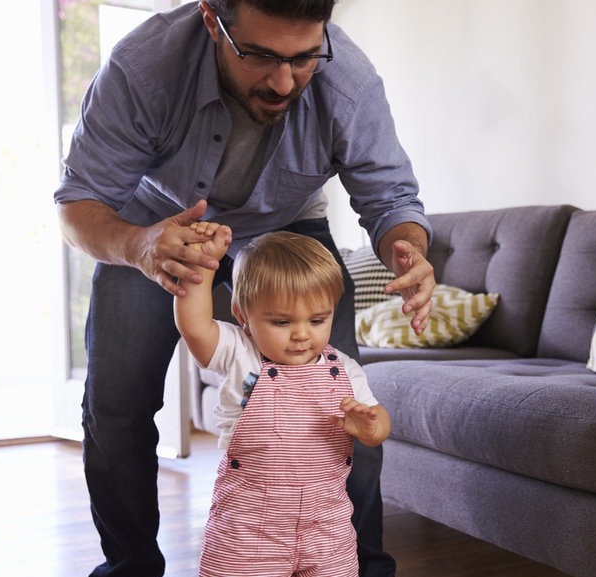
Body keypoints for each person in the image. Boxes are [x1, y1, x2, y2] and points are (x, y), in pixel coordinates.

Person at [53, 1, 434, 575]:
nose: (284, 82)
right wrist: (139, 246)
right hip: (156, 223)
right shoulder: (142, 68)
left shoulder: (349, 82)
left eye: (304, 58)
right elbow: (78, 202)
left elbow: (392, 202)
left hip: (289, 224)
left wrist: (407, 250)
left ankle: (360, 566)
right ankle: (129, 568)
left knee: (341, 404)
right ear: (213, 20)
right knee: (115, 406)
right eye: (260, 56)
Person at [175, 226, 390, 577]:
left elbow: (377, 421)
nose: (302, 334)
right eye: (281, 321)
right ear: (242, 315)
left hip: (328, 531)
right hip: (249, 532)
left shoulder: (345, 370)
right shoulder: (239, 353)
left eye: (318, 320)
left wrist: (372, 426)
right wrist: (204, 264)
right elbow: (194, 326)